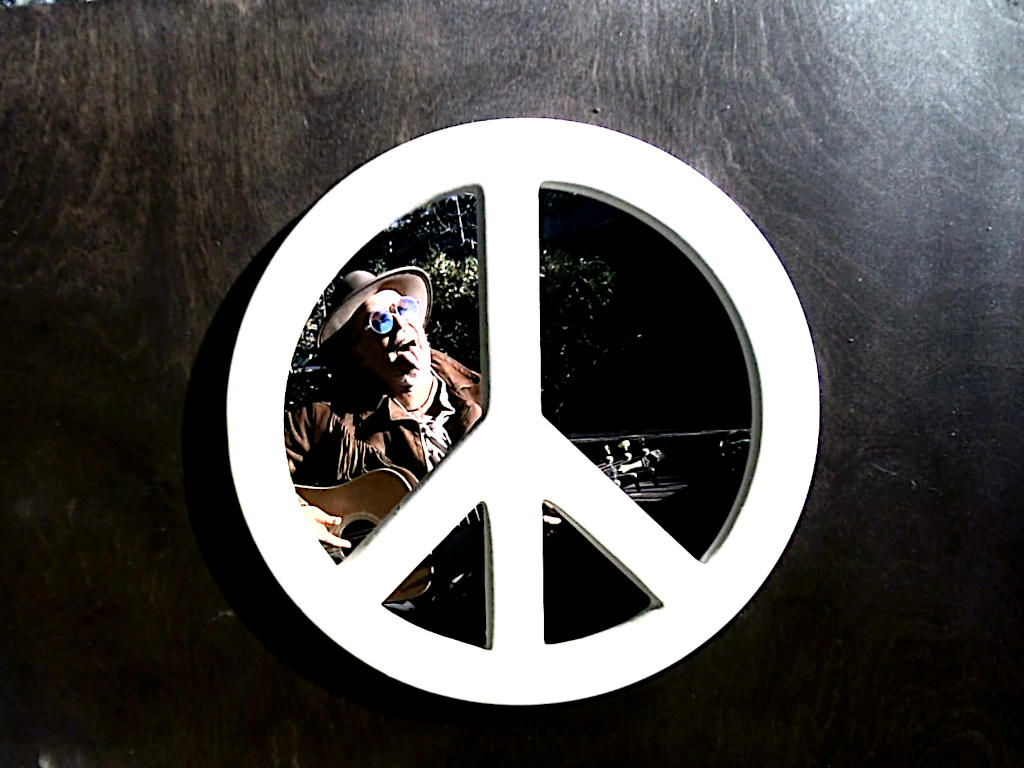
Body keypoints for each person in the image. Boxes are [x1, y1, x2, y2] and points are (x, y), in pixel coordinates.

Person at [284, 266, 484, 549]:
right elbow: (247, 468)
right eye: (380, 321)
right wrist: (293, 513)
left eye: (404, 309)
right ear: (358, 353)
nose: (400, 324)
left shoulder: (489, 398)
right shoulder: (325, 417)